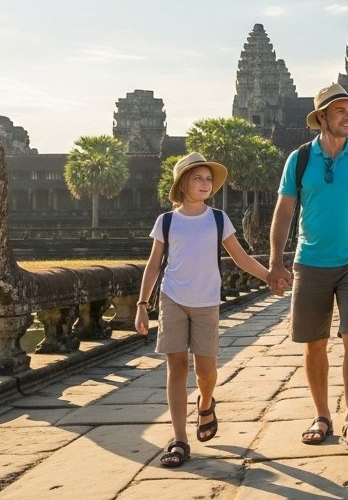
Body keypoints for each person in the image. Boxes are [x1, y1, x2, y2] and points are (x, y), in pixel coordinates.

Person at [267, 83, 348, 451]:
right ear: (321, 117)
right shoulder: (299, 159)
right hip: (310, 261)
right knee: (314, 344)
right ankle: (322, 414)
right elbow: (284, 211)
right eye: (340, 111)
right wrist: (275, 260)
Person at [135, 152, 273, 469]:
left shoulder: (218, 218)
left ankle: (206, 402)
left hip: (207, 302)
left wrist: (268, 276)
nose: (205, 183)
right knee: (177, 367)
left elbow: (239, 257)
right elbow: (154, 264)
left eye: (208, 178)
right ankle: (180, 439)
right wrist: (143, 305)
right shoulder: (166, 221)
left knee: (206, 370)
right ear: (182, 184)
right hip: (172, 298)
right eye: (198, 177)